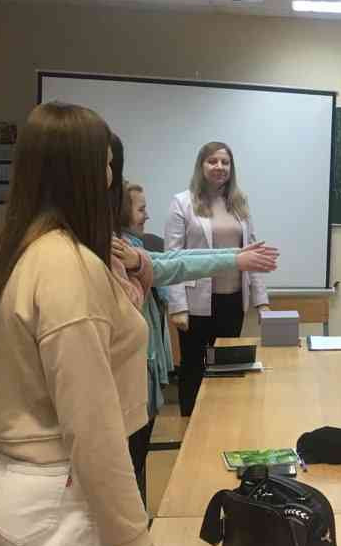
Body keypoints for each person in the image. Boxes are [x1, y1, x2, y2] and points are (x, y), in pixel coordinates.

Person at [0, 102, 161, 546]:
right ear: (78, 171)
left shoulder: (6, 252)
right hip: (61, 500)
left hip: (13, 479)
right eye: (103, 164)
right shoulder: (64, 265)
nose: (110, 176)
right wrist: (132, 539)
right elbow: (90, 422)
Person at [117, 180, 278, 505]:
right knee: (129, 465)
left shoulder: (132, 248)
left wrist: (235, 255)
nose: (147, 216)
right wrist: (234, 259)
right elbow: (172, 264)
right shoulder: (117, 251)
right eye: (141, 209)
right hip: (132, 377)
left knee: (137, 460)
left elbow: (174, 260)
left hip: (144, 372)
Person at [166, 142, 270, 417]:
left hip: (233, 300)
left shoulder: (239, 203)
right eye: (212, 161)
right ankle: (190, 423)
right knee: (194, 366)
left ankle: (222, 422)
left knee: (226, 366)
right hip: (195, 303)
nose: (219, 167)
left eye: (225, 162)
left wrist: (262, 302)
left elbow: (253, 254)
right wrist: (177, 306)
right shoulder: (182, 202)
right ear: (201, 166)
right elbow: (172, 258)